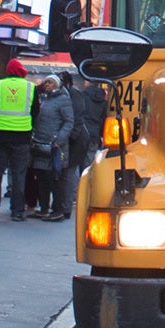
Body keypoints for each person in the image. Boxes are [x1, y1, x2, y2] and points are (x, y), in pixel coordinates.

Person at [0, 58, 39, 221]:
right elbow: (36, 111)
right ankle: (17, 211)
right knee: (19, 175)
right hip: (22, 136)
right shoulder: (31, 87)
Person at [59, 71, 109, 219]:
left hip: (81, 135)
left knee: (74, 166)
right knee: (88, 166)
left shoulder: (82, 96)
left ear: (87, 83)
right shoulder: (103, 100)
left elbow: (78, 115)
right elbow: (104, 119)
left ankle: (75, 195)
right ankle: (87, 195)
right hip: (94, 137)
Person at [30, 74, 74, 221]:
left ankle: (58, 210)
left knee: (54, 178)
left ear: (56, 84)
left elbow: (69, 122)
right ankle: (43, 208)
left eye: (50, 82)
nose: (47, 84)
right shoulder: (44, 99)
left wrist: (59, 139)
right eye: (46, 82)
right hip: (40, 143)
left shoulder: (63, 100)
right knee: (41, 177)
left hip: (55, 146)